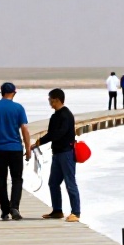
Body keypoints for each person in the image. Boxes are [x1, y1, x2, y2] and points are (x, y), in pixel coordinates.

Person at [0, 83, 31, 220]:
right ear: (14, 93)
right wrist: (28, 148)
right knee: (17, 179)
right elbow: (25, 129)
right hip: (15, 149)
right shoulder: (18, 108)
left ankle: (4, 211)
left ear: (1, 92)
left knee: (1, 180)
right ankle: (14, 207)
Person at [38, 88, 80, 222]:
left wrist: (40, 142)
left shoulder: (66, 115)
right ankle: (57, 210)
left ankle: (76, 212)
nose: (49, 102)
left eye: (50, 99)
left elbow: (57, 134)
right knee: (53, 183)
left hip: (66, 153)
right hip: (56, 153)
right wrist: (40, 142)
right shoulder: (55, 115)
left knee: (70, 183)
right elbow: (52, 133)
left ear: (56, 99)